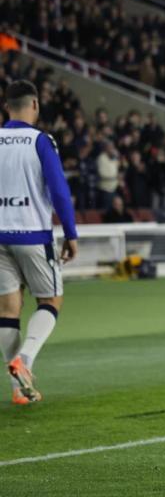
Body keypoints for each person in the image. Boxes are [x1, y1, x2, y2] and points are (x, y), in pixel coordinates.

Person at [0, 80, 79, 405]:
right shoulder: (41, 141)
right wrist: (71, 233)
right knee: (51, 300)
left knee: (7, 309)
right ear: (35, 105)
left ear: (7, 107)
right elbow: (59, 190)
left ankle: (19, 389)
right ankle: (26, 360)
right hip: (33, 233)